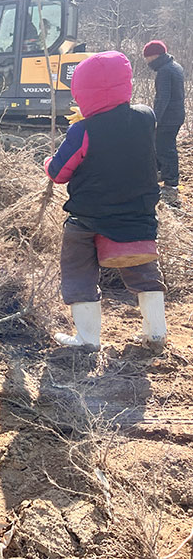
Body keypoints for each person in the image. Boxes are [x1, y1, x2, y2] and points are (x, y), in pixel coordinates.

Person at [44, 51, 166, 353]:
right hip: (139, 216)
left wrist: (48, 162)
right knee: (144, 271)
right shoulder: (145, 117)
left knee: (79, 271)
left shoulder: (83, 130)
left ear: (81, 93)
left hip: (89, 219)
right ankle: (156, 333)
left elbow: (59, 173)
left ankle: (87, 339)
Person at [143, 40, 185, 206]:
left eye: (148, 57)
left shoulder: (164, 72)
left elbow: (163, 98)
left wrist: (155, 119)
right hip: (176, 116)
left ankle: (171, 185)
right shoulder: (175, 66)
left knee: (165, 149)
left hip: (168, 119)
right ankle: (161, 173)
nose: (147, 62)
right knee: (162, 146)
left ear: (155, 55)